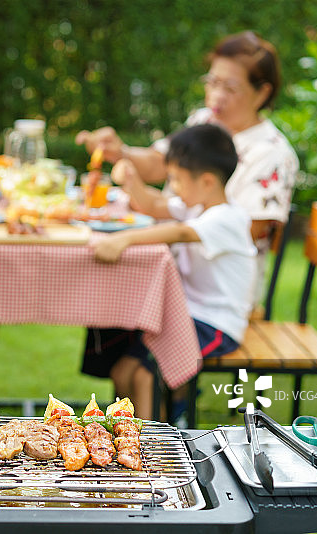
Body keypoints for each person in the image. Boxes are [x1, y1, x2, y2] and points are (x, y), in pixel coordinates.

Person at [77, 31, 298, 314]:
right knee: (107, 294)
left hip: (215, 295)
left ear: (263, 92)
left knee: (116, 299)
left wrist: (167, 221)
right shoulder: (203, 120)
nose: (216, 96)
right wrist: (121, 153)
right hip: (172, 265)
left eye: (230, 88)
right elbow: (160, 163)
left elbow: (248, 230)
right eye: (212, 82)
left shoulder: (272, 153)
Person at [83, 124, 257, 421]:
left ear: (206, 182)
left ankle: (160, 446)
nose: (172, 185)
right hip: (186, 314)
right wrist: (132, 178)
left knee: (144, 375)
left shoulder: (227, 218)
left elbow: (179, 232)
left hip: (217, 323)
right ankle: (136, 435)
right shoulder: (197, 205)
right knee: (122, 371)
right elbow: (154, 204)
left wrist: (123, 239)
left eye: (176, 178)